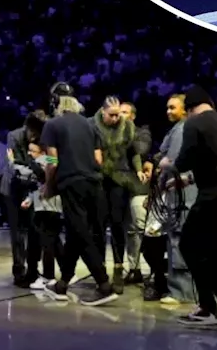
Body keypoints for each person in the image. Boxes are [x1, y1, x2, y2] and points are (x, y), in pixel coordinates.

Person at [164, 85, 217, 328]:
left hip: (213, 197)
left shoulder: (194, 123)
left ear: (189, 109)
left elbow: (185, 159)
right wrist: (189, 180)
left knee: (189, 244)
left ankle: (208, 307)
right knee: (216, 253)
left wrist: (169, 165)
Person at [39, 93, 118, 306]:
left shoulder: (52, 125)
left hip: (71, 183)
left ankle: (104, 285)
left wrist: (48, 186)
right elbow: (98, 160)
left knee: (81, 235)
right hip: (94, 183)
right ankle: (62, 284)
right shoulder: (91, 125)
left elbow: (52, 161)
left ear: (56, 106)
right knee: (76, 233)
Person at [92, 96, 149, 292]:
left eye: (118, 115)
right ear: (102, 111)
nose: (116, 119)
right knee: (98, 223)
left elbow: (134, 151)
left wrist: (139, 168)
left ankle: (118, 267)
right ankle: (99, 271)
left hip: (119, 177)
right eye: (112, 115)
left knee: (117, 221)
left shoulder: (127, 127)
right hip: (98, 177)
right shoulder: (92, 125)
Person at [144, 92, 196, 304]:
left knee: (177, 240)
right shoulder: (177, 129)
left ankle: (180, 292)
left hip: (179, 192)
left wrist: (161, 168)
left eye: (173, 108)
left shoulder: (183, 129)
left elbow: (172, 162)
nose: (168, 111)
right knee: (168, 239)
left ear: (184, 109)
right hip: (172, 192)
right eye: (167, 107)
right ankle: (170, 287)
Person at [5, 111, 48, 286]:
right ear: (28, 128)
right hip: (13, 189)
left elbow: (46, 163)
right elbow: (20, 168)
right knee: (17, 233)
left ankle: (33, 269)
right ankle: (18, 270)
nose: (34, 138)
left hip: (34, 190)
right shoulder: (14, 136)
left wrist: (38, 167)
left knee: (34, 230)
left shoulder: (44, 136)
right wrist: (37, 167)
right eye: (33, 134)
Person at [21, 141, 65, 291]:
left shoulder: (48, 159)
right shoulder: (42, 161)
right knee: (54, 242)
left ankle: (48, 277)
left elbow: (52, 168)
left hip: (50, 206)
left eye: (33, 151)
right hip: (43, 205)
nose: (29, 154)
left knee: (48, 243)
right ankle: (66, 272)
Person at [119, 101, 154, 285]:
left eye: (125, 112)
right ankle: (134, 269)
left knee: (137, 228)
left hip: (138, 188)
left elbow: (141, 150)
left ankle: (149, 268)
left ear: (132, 116)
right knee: (127, 230)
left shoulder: (142, 132)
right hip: (120, 188)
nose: (121, 115)